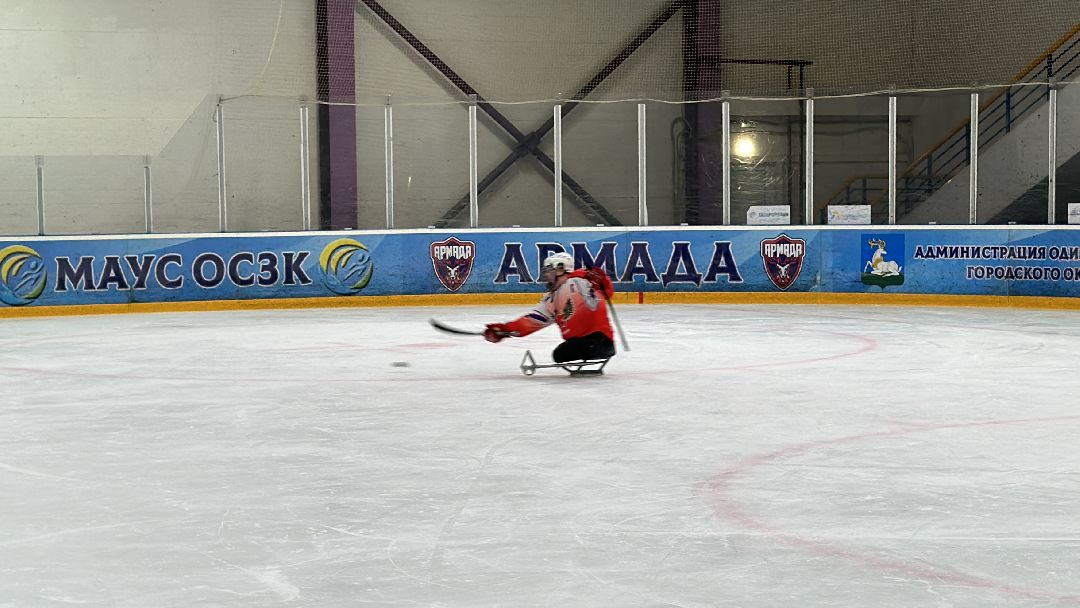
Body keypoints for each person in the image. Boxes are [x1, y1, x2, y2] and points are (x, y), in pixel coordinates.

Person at [484, 252, 617, 363]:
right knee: (559, 354)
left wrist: (602, 280)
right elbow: (531, 321)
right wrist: (505, 330)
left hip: (599, 340)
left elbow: (606, 293)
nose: (546, 275)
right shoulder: (551, 298)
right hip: (580, 343)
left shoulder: (579, 281)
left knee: (562, 353)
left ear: (560, 269)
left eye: (549, 271)